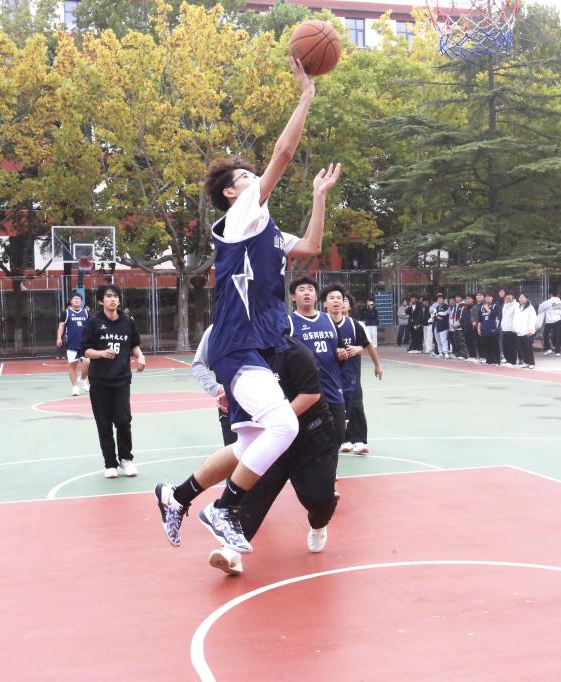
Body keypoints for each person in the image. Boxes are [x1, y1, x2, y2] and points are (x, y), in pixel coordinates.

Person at [154, 59, 339, 554]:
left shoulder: (267, 231)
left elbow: (312, 247)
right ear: (232, 192)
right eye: (245, 175)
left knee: (249, 445)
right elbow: (284, 151)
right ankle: (224, 509)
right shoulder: (241, 217)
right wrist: (306, 95)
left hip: (255, 347)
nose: (254, 176)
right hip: (238, 344)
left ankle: (177, 495)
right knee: (285, 424)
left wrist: (319, 196)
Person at [208, 336, 339, 576]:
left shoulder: (296, 352)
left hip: (310, 438)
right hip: (271, 441)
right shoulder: (247, 356)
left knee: (318, 498)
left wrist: (278, 422)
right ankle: (231, 551)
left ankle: (319, 522)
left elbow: (310, 395)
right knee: (253, 494)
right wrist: (230, 396)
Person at [81, 285, 145, 478]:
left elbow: (134, 345)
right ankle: (110, 463)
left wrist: (140, 356)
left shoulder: (127, 322)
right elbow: (86, 351)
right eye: (109, 296)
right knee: (104, 423)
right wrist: (101, 353)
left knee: (123, 421)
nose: (113, 299)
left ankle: (126, 459)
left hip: (121, 379)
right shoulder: (94, 322)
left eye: (116, 296)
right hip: (99, 380)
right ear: (101, 301)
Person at [287, 277, 346, 452]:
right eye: (301, 289)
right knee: (308, 440)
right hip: (304, 392)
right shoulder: (288, 323)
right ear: (293, 296)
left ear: (316, 295)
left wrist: (341, 354)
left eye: (310, 289)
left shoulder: (329, 320)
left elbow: (339, 348)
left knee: (338, 435)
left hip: (332, 388)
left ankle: (328, 465)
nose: (306, 293)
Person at [324, 284, 382, 454]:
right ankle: (344, 439)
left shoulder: (355, 325)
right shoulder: (322, 323)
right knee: (336, 407)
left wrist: (374, 362)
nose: (339, 302)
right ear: (325, 303)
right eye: (333, 298)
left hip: (351, 372)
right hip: (330, 374)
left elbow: (366, 345)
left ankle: (359, 440)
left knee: (355, 404)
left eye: (342, 300)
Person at [192, 324, 236, 447]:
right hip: (230, 410)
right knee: (235, 455)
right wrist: (218, 389)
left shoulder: (264, 325)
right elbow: (198, 365)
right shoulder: (215, 330)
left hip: (262, 411)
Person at [55, 293, 91, 396]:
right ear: (71, 301)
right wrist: (59, 338)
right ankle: (75, 387)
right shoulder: (66, 312)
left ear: (81, 301)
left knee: (88, 362)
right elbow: (61, 325)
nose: (76, 300)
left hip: (85, 344)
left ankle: (83, 379)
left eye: (78, 299)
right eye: (74, 299)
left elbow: (91, 326)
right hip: (71, 344)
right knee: (72, 365)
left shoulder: (86, 312)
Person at [514, 293, 537, 369]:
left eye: (523, 297)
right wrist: (515, 328)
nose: (521, 299)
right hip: (519, 331)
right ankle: (525, 362)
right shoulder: (517, 308)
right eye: (520, 297)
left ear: (527, 299)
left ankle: (531, 363)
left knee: (528, 347)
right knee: (522, 348)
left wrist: (531, 330)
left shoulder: (530, 308)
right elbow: (515, 319)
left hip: (528, 331)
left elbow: (533, 319)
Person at [477, 293, 501, 365]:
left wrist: (487, 308)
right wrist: (478, 328)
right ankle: (489, 360)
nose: (488, 298)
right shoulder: (482, 307)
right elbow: (480, 319)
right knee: (487, 345)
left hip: (494, 329)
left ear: (492, 298)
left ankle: (496, 361)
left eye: (489, 297)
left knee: (495, 345)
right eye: (487, 297)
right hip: (485, 329)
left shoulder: (495, 306)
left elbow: (494, 315)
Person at [537, 291, 561, 356]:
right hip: (558, 319)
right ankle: (558, 352)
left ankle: (548, 348)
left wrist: (541, 312)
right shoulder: (559, 301)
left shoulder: (549, 301)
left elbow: (541, 306)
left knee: (545, 334)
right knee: (557, 336)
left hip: (550, 320)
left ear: (550, 294)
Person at [499, 293, 518, 366]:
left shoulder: (516, 305)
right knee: (505, 345)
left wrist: (514, 327)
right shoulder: (505, 305)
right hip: (504, 328)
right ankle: (508, 360)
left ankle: (512, 361)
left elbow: (516, 317)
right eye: (506, 295)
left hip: (512, 329)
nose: (508, 297)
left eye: (510, 295)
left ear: (513, 296)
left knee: (512, 346)